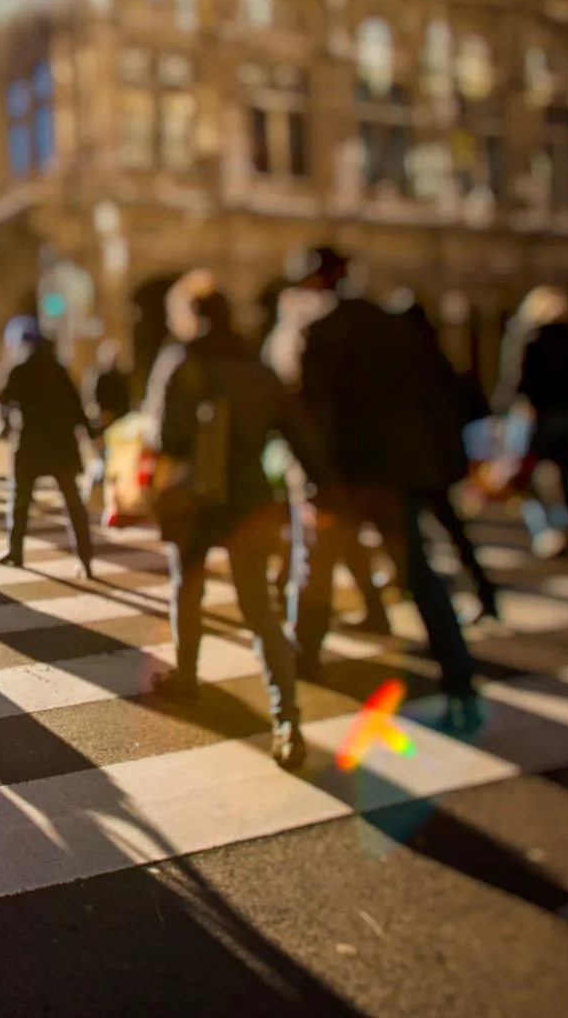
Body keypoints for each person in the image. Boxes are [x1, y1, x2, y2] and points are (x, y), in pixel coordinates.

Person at [278, 247, 484, 733]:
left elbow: (309, 413)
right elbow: (428, 395)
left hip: (339, 476)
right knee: (418, 573)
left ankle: (304, 657)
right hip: (394, 472)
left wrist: (312, 476)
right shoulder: (391, 326)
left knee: (316, 570)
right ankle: (459, 674)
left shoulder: (317, 330)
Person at [146, 271, 331, 768]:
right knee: (260, 611)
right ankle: (287, 719)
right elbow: (296, 431)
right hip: (251, 499)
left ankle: (186, 675)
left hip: (197, 499)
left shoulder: (180, 359)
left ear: (190, 316)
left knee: (187, 585)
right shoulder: (258, 365)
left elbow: (165, 438)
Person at [388, 291, 500, 622]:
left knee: (414, 536)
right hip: (438, 461)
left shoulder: (403, 364)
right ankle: (483, 593)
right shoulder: (440, 358)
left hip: (412, 463)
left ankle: (435, 601)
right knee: (449, 530)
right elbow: (472, 405)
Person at [493, 285, 568, 558]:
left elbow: (515, 378)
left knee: (522, 476)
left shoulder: (527, 336)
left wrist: (500, 412)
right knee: (564, 477)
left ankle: (546, 529)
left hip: (534, 414)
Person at [0, 315, 94, 578]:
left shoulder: (18, 368)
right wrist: (89, 434)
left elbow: (3, 397)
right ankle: (85, 558)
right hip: (61, 444)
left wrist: (6, 365)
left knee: (20, 500)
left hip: (29, 443)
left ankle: (15, 551)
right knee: (72, 501)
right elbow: (76, 406)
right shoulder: (58, 368)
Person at [83, 339, 133, 433]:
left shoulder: (121, 376)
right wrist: (104, 414)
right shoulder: (99, 378)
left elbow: (125, 397)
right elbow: (95, 398)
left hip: (121, 418)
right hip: (105, 418)